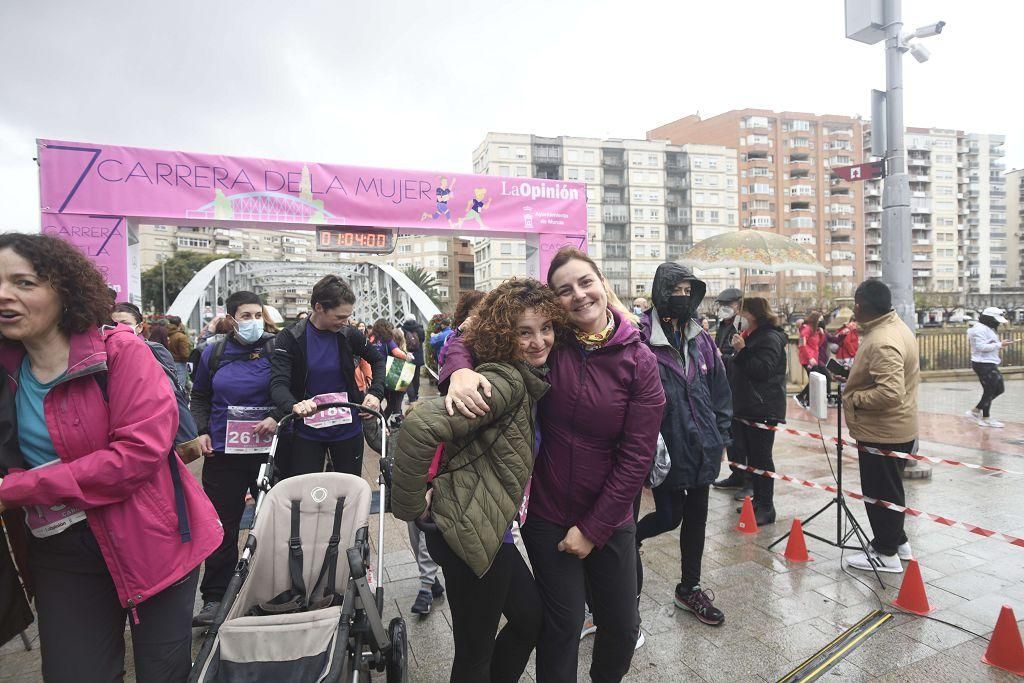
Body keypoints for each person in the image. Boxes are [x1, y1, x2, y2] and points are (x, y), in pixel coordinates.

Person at [0, 233, 221, 682]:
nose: (5, 294)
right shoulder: (6, 370)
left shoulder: (120, 352)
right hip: (60, 551)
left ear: (63, 290)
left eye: (23, 282)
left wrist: (17, 489)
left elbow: (134, 458)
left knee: (163, 672)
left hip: (153, 541)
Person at [443, 247, 665, 683]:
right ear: (554, 301)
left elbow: (638, 455)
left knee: (621, 627)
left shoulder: (639, 360)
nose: (579, 296)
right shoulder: (550, 342)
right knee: (561, 627)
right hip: (546, 513)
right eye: (565, 290)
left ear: (603, 284)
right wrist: (458, 372)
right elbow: (468, 336)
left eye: (586, 282)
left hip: (610, 515)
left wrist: (594, 529)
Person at [393, 278, 563, 682]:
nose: (539, 341)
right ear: (506, 334)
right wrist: (413, 509)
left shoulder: (525, 375)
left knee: (529, 619)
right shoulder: (504, 381)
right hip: (467, 532)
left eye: (545, 328)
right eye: (525, 332)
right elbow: (418, 428)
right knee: (474, 653)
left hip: (488, 527)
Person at [634, 263, 730, 626]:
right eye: (677, 290)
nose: (684, 297)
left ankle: (689, 588)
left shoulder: (700, 338)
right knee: (670, 516)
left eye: (690, 291)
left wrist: (721, 435)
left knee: (697, 520)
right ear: (662, 290)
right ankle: (632, 539)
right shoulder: (640, 337)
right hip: (665, 450)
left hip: (703, 446)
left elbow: (719, 390)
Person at [189, 291, 284, 626]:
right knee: (222, 525)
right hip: (224, 454)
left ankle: (274, 587)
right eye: (246, 315)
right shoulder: (212, 352)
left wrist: (275, 414)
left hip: (268, 451)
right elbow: (199, 395)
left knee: (272, 520)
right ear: (230, 318)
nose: (253, 321)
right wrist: (201, 430)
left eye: (258, 314)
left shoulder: (277, 347)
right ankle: (215, 597)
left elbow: (293, 389)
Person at [269, 275, 386, 477]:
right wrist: (293, 405)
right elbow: (278, 383)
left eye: (348, 316)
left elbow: (378, 360)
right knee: (306, 491)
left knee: (348, 489)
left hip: (347, 428)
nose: (345, 322)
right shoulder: (290, 337)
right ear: (319, 307)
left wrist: (375, 393)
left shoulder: (349, 334)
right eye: (340, 317)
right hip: (307, 430)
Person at [842, 280, 919, 574]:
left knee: (879, 493)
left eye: (854, 303)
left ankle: (885, 553)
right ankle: (898, 543)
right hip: (894, 428)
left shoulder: (882, 340)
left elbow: (889, 392)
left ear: (862, 306)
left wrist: (853, 398)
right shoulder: (894, 328)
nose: (852, 308)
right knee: (890, 490)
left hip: (883, 431)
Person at [727, 297, 788, 526]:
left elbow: (763, 371)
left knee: (762, 458)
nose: (737, 316)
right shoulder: (751, 335)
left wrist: (742, 352)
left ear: (751, 314)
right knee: (752, 458)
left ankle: (766, 506)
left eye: (740, 312)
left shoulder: (769, 337)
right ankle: (757, 501)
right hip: (748, 406)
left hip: (763, 407)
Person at [711, 287, 749, 496]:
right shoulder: (723, 326)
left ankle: (749, 480)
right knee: (731, 435)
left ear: (738, 306)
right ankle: (736, 474)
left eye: (728, 305)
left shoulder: (742, 327)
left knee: (745, 439)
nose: (724, 309)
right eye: (722, 305)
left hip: (740, 389)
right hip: (725, 388)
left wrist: (721, 357)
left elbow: (742, 360)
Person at [966, 307, 1012, 428]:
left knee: (997, 389)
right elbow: (980, 347)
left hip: (988, 362)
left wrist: (999, 344)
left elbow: (989, 344)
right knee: (991, 390)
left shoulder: (986, 328)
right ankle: (981, 415)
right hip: (983, 364)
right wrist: (999, 344)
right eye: (996, 320)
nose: (998, 323)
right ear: (989, 319)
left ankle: (980, 414)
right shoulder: (979, 329)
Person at [368, 318, 411, 422]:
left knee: (376, 398)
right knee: (392, 402)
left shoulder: (371, 338)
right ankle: (384, 424)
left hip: (372, 373)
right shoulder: (387, 339)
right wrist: (407, 356)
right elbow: (396, 352)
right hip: (386, 373)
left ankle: (379, 422)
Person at [794, 312, 824, 408]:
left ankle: (807, 400)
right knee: (815, 380)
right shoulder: (806, 329)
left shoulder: (815, 330)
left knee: (815, 379)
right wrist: (809, 357)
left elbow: (818, 344)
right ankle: (800, 396)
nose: (821, 321)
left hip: (813, 359)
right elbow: (802, 344)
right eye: (820, 319)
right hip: (808, 360)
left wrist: (821, 335)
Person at [401, 316, 426, 404]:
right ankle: (416, 395)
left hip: (407, 356)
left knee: (407, 378)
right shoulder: (420, 329)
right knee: (416, 377)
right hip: (417, 356)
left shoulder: (402, 329)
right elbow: (422, 340)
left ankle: (411, 398)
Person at [165, 315, 192, 387]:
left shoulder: (167, 334)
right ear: (180, 324)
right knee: (180, 386)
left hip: (168, 363)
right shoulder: (181, 336)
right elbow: (184, 354)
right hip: (180, 363)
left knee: (171, 386)